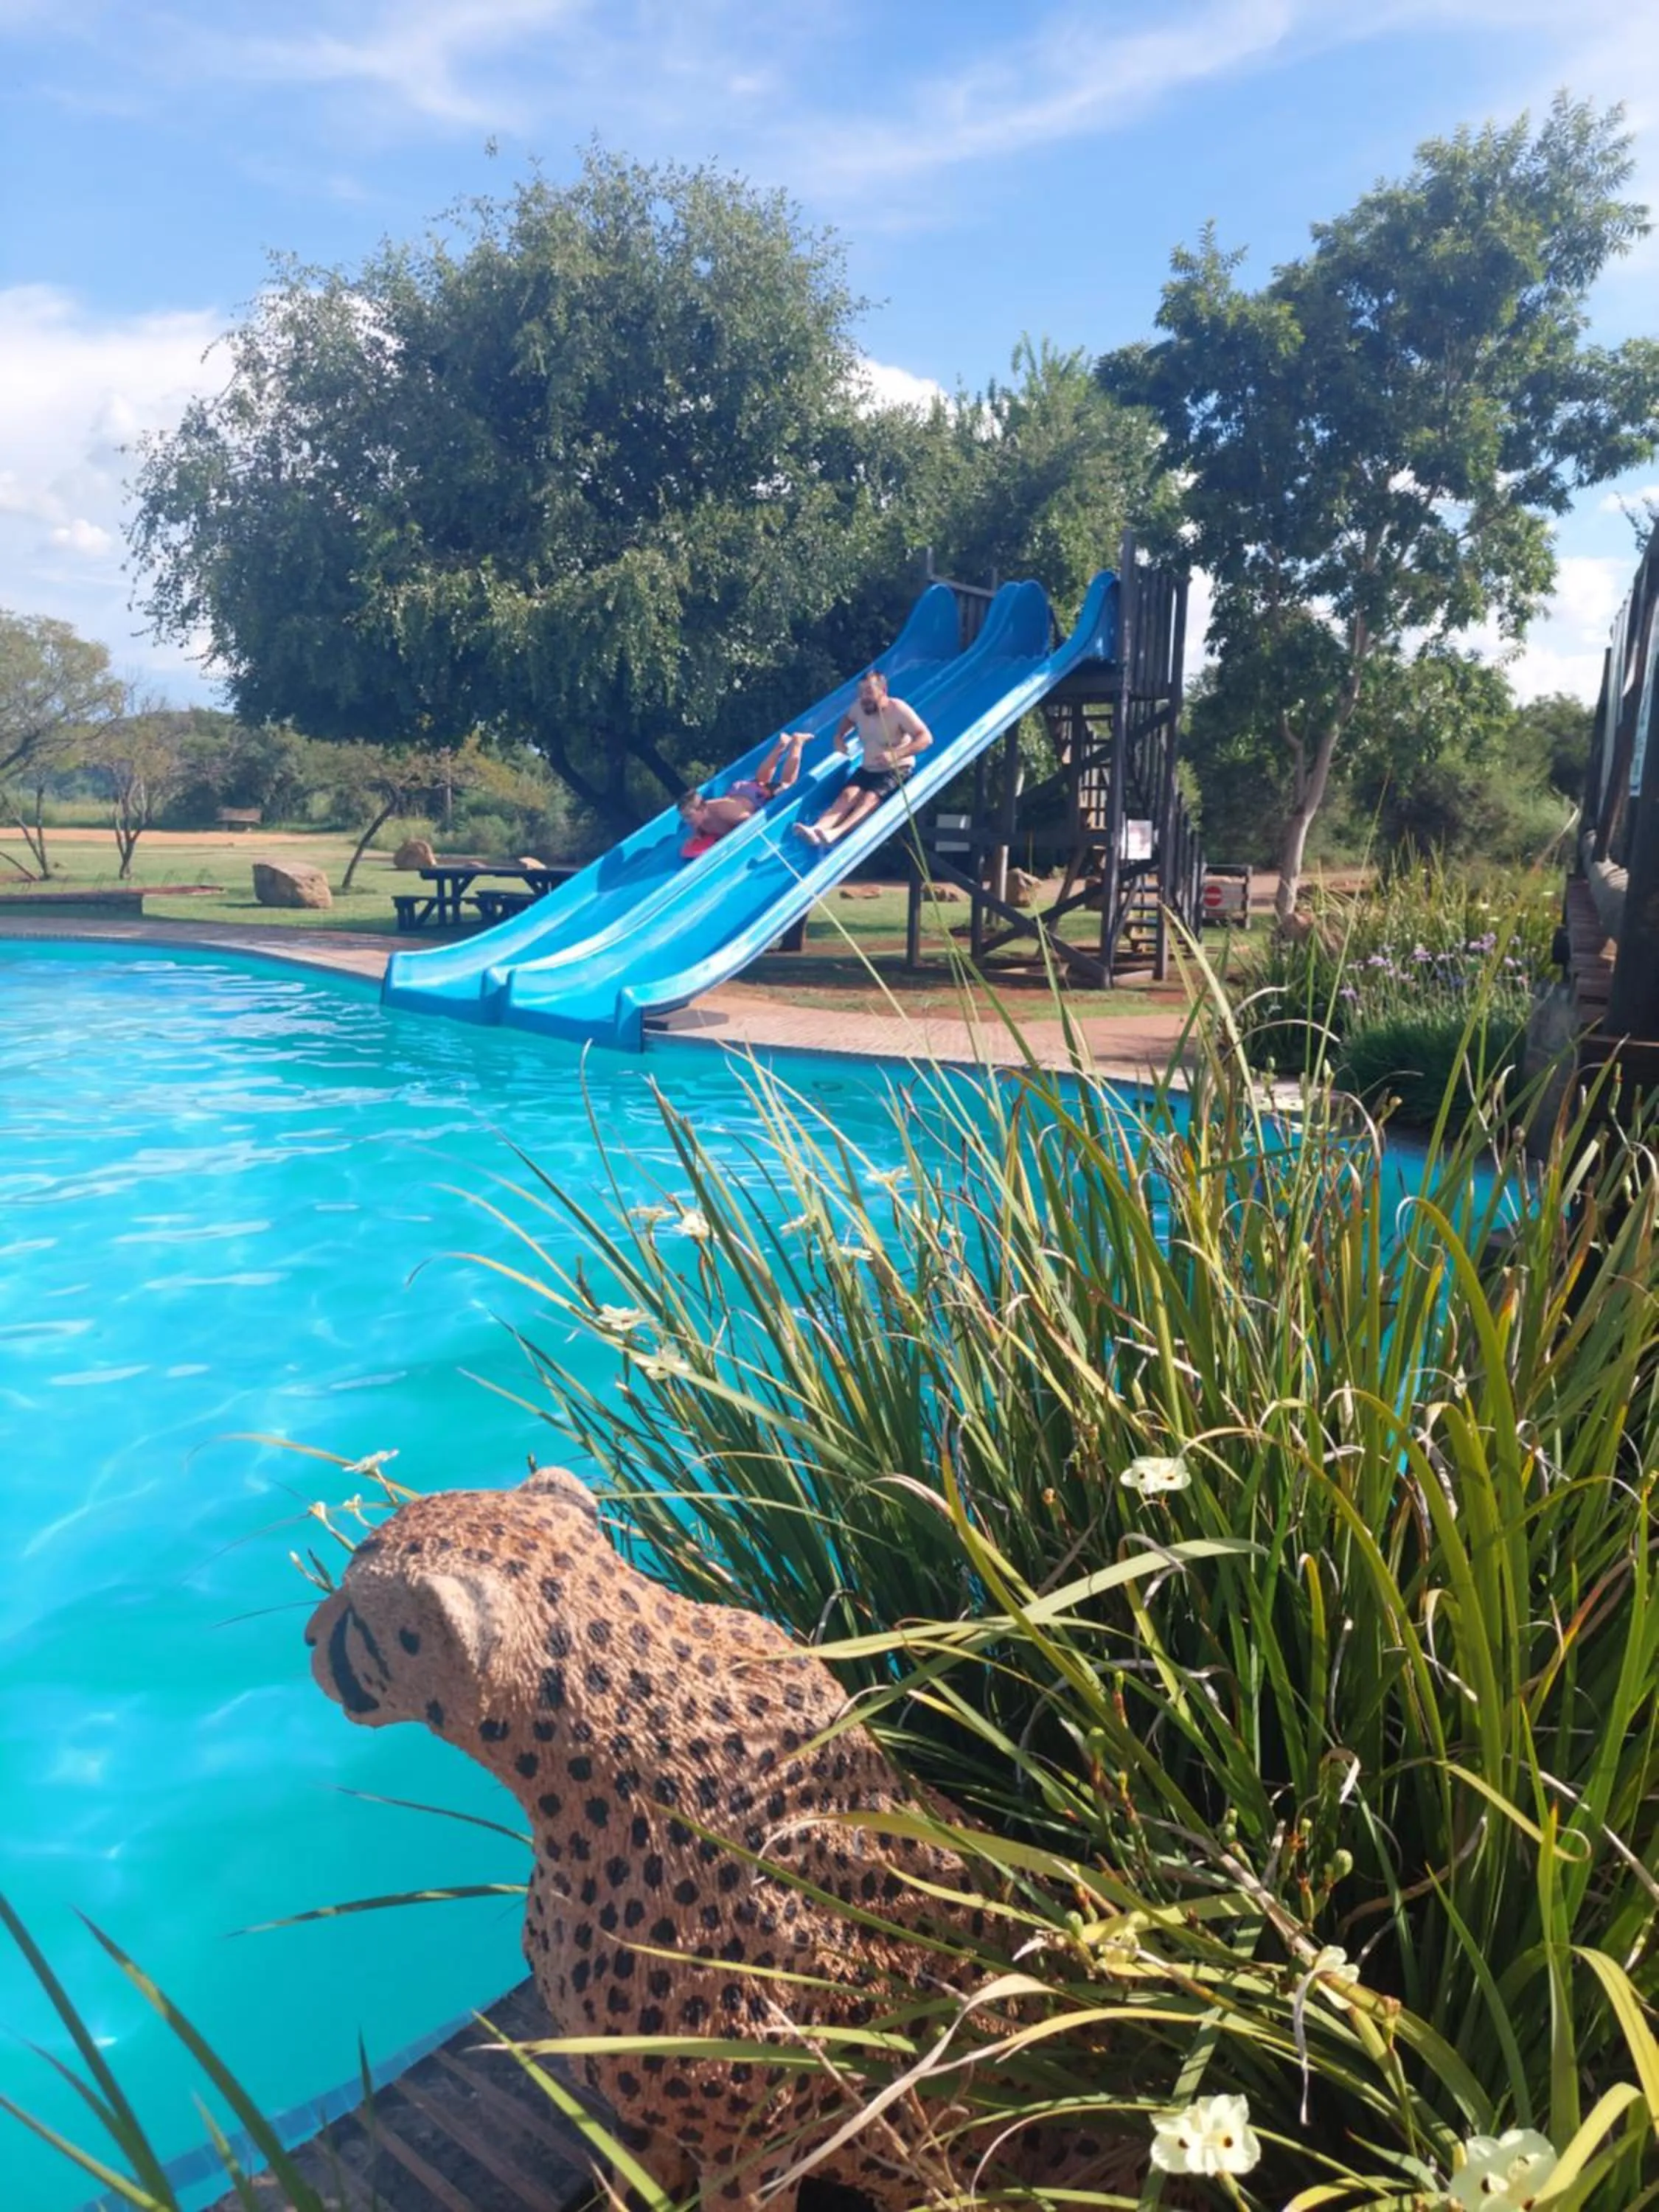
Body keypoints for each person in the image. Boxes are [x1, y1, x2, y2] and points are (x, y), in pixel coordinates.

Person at [794, 669, 931, 848]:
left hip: (896, 769)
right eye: (861, 693)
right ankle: (817, 829)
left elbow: (925, 738)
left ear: (883, 690)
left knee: (869, 799)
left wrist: (897, 754)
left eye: (869, 692)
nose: (864, 697)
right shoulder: (859, 707)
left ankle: (835, 833)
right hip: (869, 768)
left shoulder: (898, 709)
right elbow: (848, 719)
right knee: (847, 796)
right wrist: (839, 737)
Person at [678, 730, 808, 858]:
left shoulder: (726, 812)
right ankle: (780, 746)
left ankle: (797, 743)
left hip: (753, 796)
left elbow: (750, 819)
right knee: (760, 780)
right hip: (737, 792)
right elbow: (698, 822)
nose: (687, 821)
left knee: (787, 786)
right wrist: (696, 834)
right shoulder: (699, 818)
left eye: (689, 816)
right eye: (685, 817)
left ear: (702, 809)